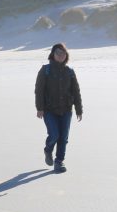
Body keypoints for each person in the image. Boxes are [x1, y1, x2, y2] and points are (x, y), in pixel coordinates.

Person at [35, 42, 83, 173]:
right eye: (58, 53)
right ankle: (48, 149)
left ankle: (59, 162)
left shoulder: (70, 72)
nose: (61, 55)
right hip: (49, 110)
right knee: (54, 135)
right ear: (53, 54)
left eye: (63, 53)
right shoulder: (45, 70)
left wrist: (79, 110)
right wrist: (39, 108)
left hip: (66, 110)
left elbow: (76, 92)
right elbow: (39, 90)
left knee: (63, 138)